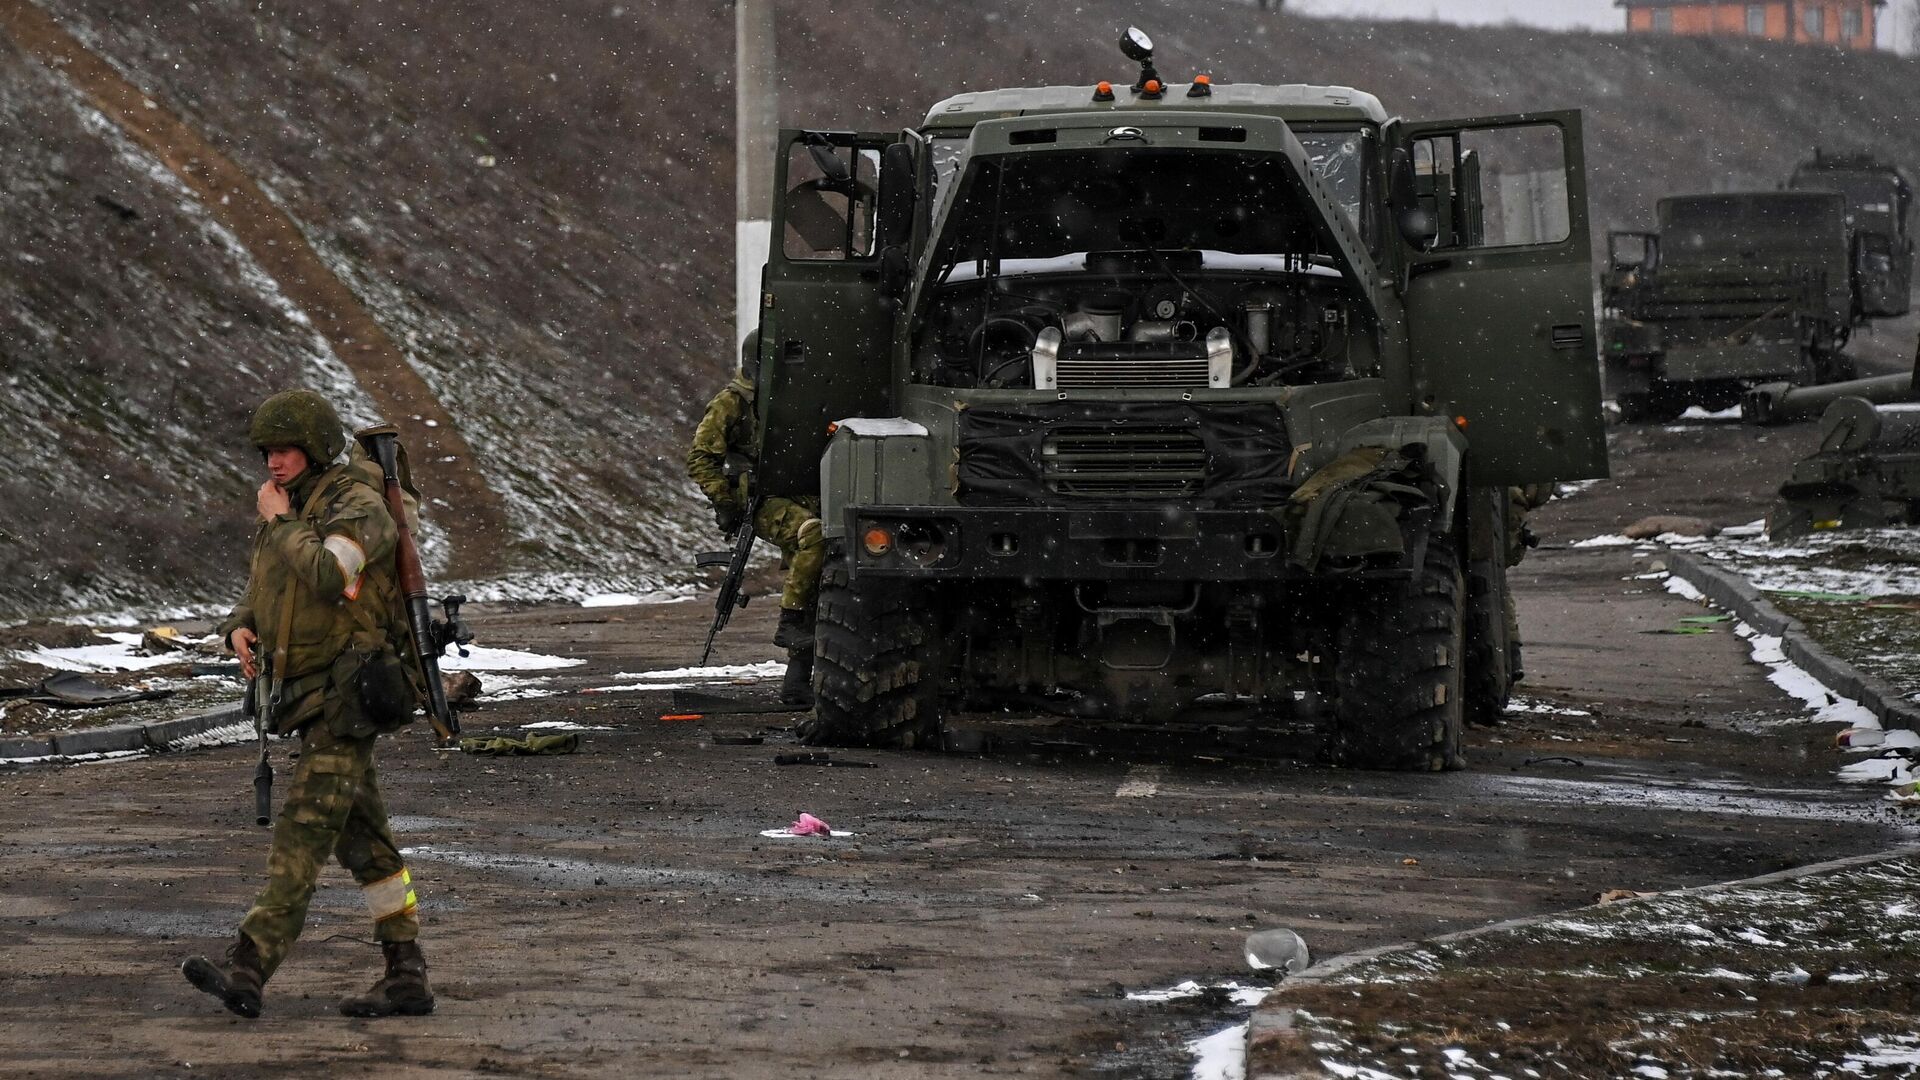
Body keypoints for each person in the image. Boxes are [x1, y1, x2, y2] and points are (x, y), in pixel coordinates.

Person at [181, 389, 434, 1020]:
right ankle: (405, 972)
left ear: (316, 448)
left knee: (300, 835)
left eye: (286, 449)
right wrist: (240, 625)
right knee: (368, 846)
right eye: (267, 450)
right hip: (307, 694)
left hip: (347, 698)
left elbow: (326, 573)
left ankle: (249, 966)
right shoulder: (291, 508)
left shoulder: (359, 506)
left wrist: (278, 522)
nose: (273, 461)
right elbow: (268, 585)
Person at [687, 335, 824, 706]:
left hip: (802, 495)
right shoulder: (732, 403)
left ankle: (797, 684)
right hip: (760, 499)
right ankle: (789, 623)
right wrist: (725, 501)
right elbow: (700, 457)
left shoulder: (794, 398)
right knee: (814, 538)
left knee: (815, 573)